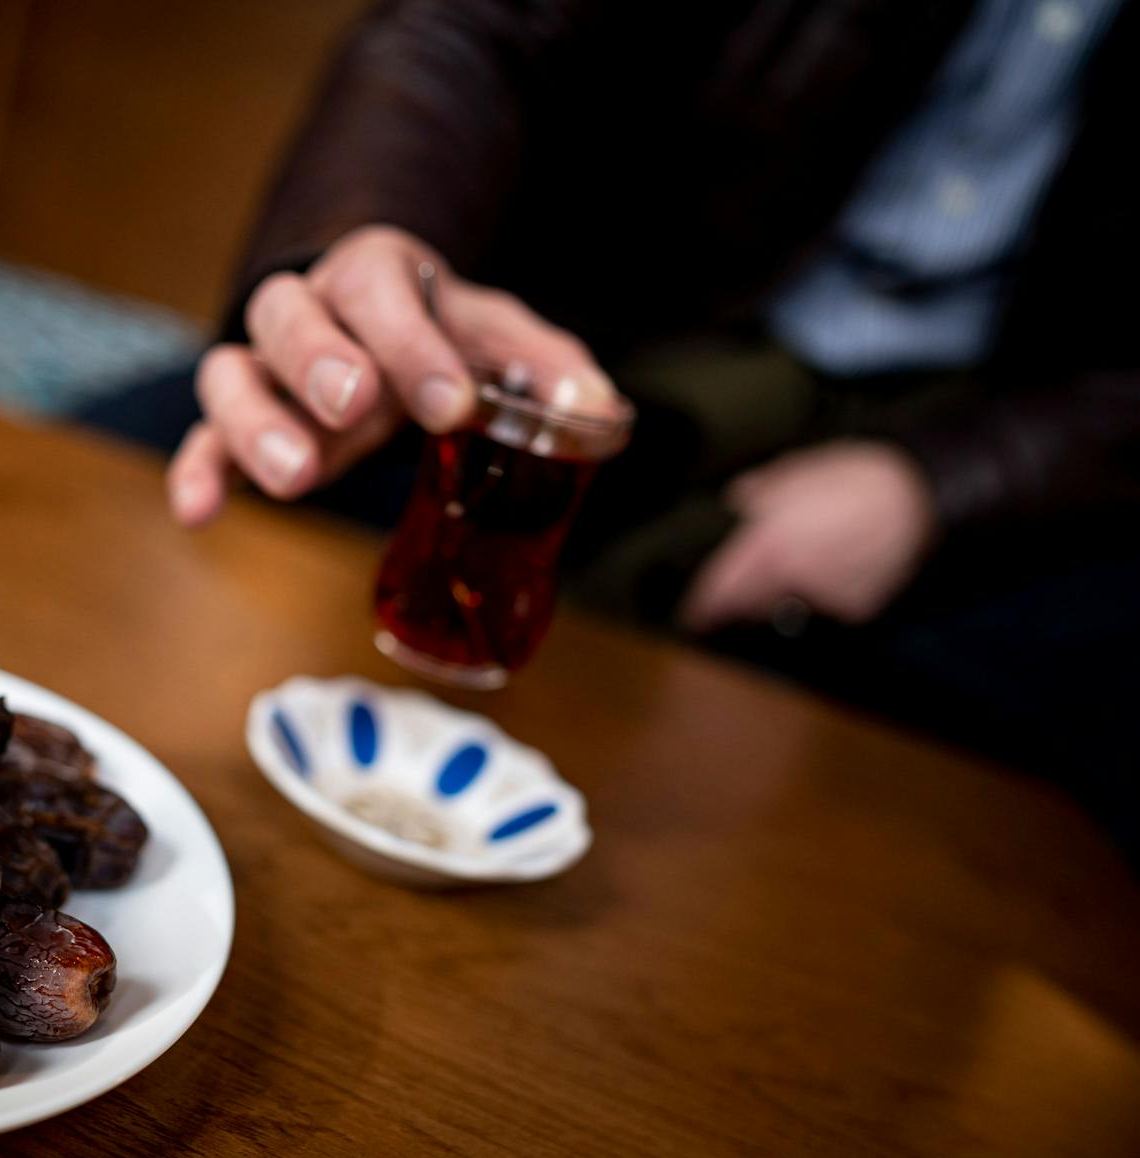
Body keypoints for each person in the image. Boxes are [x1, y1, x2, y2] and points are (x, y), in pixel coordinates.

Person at [83, 0, 1139, 848]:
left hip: (1005, 430)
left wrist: (930, 486)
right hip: (571, 331)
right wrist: (367, 242)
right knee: (128, 464)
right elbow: (466, 26)